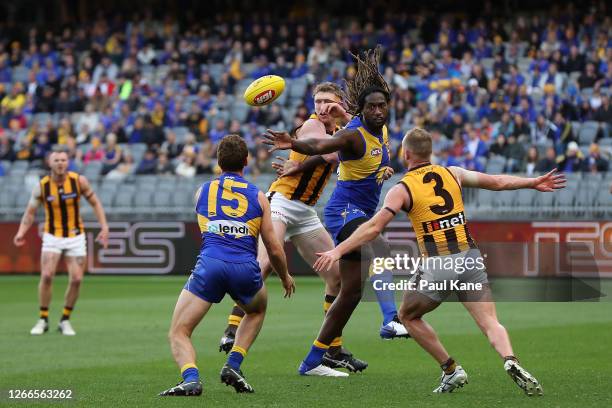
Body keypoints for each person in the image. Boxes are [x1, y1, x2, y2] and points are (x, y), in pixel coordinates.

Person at [315, 127, 564, 395]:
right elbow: (497, 182)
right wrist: (532, 182)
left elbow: (374, 228)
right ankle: (510, 359)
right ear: (430, 151)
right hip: (469, 257)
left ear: (405, 153)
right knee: (491, 322)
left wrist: (339, 250)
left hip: (439, 261)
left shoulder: (402, 188)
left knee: (407, 316)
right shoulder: (453, 173)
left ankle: (450, 369)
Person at [264, 48, 405, 377]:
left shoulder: (379, 131)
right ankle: (390, 320)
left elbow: (369, 153)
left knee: (351, 291)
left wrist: (383, 170)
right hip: (344, 212)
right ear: (363, 110)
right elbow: (321, 146)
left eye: (382, 105)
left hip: (362, 211)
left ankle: (313, 360)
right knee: (380, 248)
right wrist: (294, 144)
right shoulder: (353, 135)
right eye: (372, 106)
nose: (378, 111)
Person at [218, 82, 368, 374]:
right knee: (263, 265)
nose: (322, 107)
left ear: (340, 103)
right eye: (318, 101)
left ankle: (331, 350)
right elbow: (329, 154)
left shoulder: (341, 133)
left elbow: (351, 153)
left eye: (328, 101)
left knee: (337, 277)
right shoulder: (313, 126)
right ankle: (232, 328)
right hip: (282, 202)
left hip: (306, 211)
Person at [159, 135, 295, 396]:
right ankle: (233, 364)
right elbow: (274, 247)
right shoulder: (258, 196)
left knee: (179, 331)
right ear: (246, 161)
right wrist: (285, 275)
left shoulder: (203, 191)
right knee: (256, 311)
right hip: (245, 268)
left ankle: (190, 378)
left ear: (218, 162)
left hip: (210, 265)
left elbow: (206, 225)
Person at [13, 145, 109, 336]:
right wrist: (21, 231)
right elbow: (30, 212)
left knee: (77, 279)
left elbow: (95, 202)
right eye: (56, 160)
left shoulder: (78, 181)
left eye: (63, 160)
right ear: (50, 162)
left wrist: (104, 226)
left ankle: (65, 319)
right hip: (52, 235)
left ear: (68, 162)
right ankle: (43, 318)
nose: (60, 163)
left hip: (75, 235)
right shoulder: (42, 186)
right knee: (47, 275)